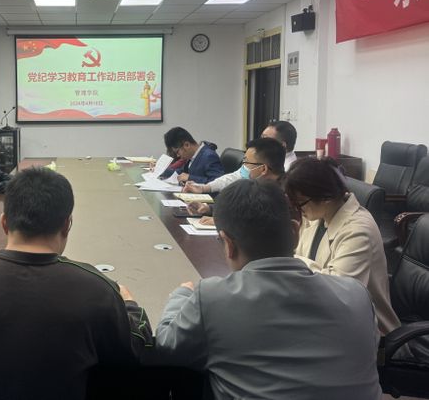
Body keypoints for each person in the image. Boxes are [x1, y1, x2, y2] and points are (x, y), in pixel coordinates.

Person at [0, 168, 152, 400]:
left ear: (4, 223)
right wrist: (130, 306)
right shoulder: (96, 289)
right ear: (67, 224)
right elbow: (134, 356)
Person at [151, 179, 382, 400]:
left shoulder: (212, 298)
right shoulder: (357, 294)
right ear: (295, 232)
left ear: (228, 244)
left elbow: (165, 346)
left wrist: (180, 295)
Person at [285, 156, 400, 335]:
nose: (298, 210)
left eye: (300, 203)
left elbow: (339, 291)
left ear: (325, 197)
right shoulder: (317, 214)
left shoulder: (358, 230)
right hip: (324, 315)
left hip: (365, 331)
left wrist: (292, 262)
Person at [184, 121, 298, 195]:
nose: (261, 141)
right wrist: (205, 188)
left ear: (282, 145)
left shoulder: (290, 174)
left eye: (265, 138)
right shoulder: (256, 161)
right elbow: (234, 177)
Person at [187, 137, 286, 221]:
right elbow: (240, 209)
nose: (243, 167)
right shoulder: (258, 185)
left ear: (263, 169)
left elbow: (256, 221)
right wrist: (208, 209)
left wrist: (223, 221)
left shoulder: (282, 194)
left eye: (246, 162)